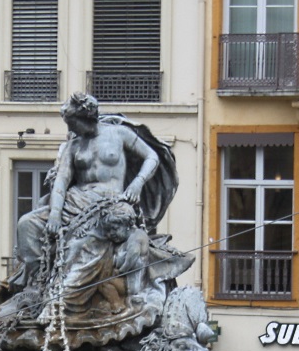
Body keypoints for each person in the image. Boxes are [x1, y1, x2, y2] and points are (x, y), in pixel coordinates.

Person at [11, 92, 176, 294]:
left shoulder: (118, 134)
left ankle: (72, 289)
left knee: (82, 243)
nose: (70, 128)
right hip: (75, 201)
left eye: (72, 122)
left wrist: (137, 183)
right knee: (26, 224)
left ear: (85, 118)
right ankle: (38, 283)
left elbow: (152, 156)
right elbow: (62, 181)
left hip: (109, 203)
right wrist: (54, 213)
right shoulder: (73, 146)